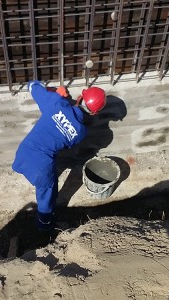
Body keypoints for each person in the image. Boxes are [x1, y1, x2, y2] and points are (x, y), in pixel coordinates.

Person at [12, 80, 106, 232]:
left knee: (51, 181)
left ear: (80, 97)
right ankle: (44, 225)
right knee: (47, 193)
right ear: (95, 112)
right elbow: (66, 142)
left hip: (23, 153)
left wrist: (53, 92)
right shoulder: (81, 133)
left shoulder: (56, 103)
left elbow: (32, 86)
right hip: (41, 166)